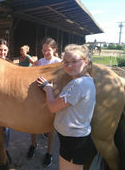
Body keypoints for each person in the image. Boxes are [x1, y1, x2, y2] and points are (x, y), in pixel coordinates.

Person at [36, 44, 96, 170]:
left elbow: (53, 107)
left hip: (73, 140)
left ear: (85, 62)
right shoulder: (88, 80)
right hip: (76, 138)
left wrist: (48, 89)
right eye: (66, 62)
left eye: (74, 61)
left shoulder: (77, 84)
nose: (69, 66)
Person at [27, 37, 62, 167]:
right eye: (43, 50)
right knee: (33, 123)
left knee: (51, 126)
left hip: (51, 98)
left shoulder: (59, 63)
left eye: (48, 50)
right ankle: (33, 144)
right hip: (36, 100)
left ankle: (49, 152)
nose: (45, 52)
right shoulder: (39, 62)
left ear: (54, 49)